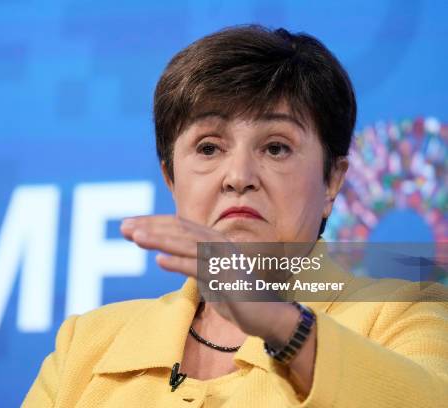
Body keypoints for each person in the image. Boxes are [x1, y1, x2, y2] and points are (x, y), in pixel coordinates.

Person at [22, 25, 448, 407]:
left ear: (332, 180)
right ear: (170, 177)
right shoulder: (87, 348)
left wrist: (280, 322)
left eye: (276, 147)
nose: (239, 177)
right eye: (209, 148)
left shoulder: (406, 316)